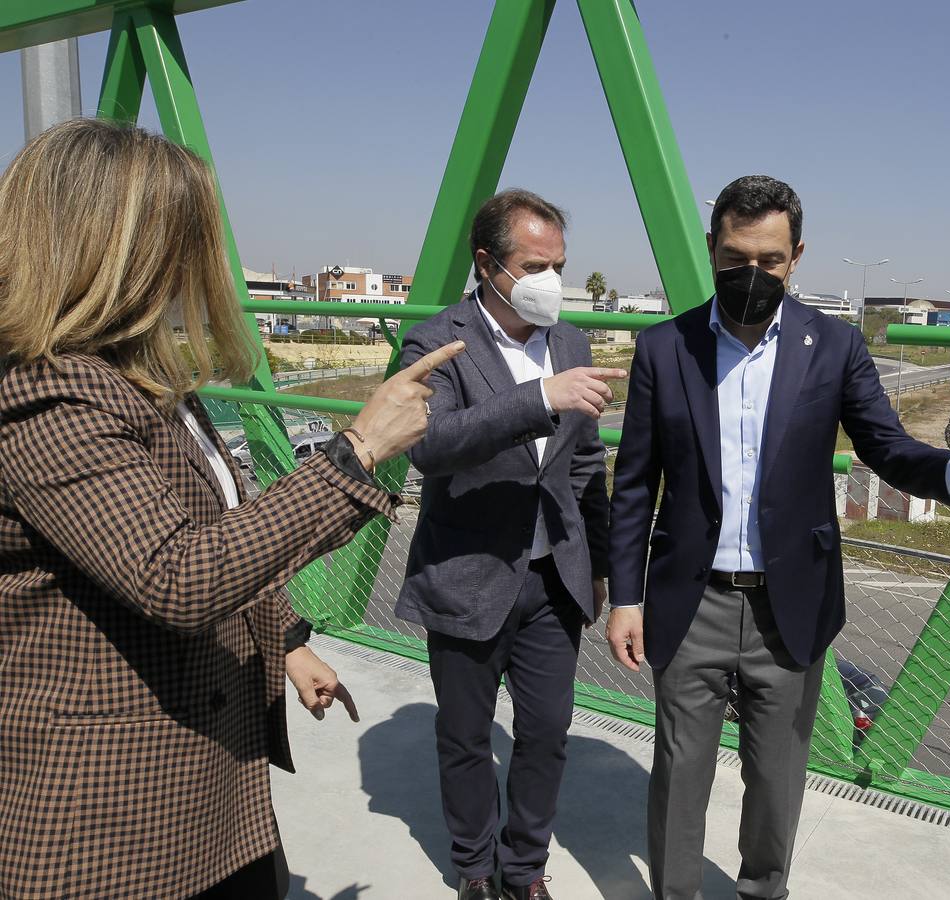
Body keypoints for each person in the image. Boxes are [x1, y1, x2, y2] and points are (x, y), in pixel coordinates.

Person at [0, 118, 464, 900]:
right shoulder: (50, 395)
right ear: (113, 253)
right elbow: (176, 574)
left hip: (200, 784)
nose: (195, 265)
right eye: (179, 239)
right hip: (110, 819)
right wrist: (357, 452)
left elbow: (209, 526)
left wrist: (282, 639)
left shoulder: (132, 377)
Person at [605, 175, 950, 900]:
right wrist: (625, 597)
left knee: (777, 778)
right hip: (687, 603)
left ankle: (765, 891)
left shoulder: (834, 346)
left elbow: (887, 448)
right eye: (735, 258)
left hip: (788, 604)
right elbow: (635, 482)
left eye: (769, 260)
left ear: (797, 257)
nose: (751, 276)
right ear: (711, 248)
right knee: (678, 773)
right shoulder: (666, 348)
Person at [394, 189, 623, 900]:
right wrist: (537, 400)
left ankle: (524, 868)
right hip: (467, 572)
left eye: (559, 264)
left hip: (555, 573)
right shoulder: (436, 342)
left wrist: (605, 569)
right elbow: (428, 446)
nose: (551, 280)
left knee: (547, 731)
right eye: (535, 265)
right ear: (487, 262)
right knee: (465, 736)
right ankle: (473, 866)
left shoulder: (570, 341)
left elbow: (584, 464)